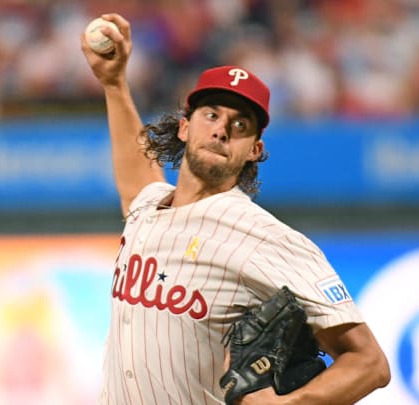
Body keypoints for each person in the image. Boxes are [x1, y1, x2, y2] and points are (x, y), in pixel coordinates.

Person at [80, 13, 391, 405]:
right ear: (184, 127)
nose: (222, 129)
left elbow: (370, 363)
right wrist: (113, 83)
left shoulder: (266, 238)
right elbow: (137, 184)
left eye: (241, 124)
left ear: (255, 150)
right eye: (211, 114)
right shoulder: (149, 207)